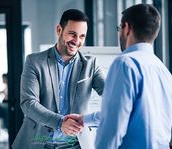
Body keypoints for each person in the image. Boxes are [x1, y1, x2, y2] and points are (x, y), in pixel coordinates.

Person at [68, 3, 172, 149]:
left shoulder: (125, 63)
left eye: (119, 28)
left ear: (127, 28)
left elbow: (113, 124)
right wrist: (85, 119)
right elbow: (130, 113)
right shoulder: (163, 70)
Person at [11, 9, 105, 149]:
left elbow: (113, 95)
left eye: (82, 36)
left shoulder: (91, 65)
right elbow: (28, 103)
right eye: (72, 34)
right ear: (59, 30)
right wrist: (60, 122)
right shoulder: (34, 61)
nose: (77, 41)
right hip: (38, 142)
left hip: (76, 145)